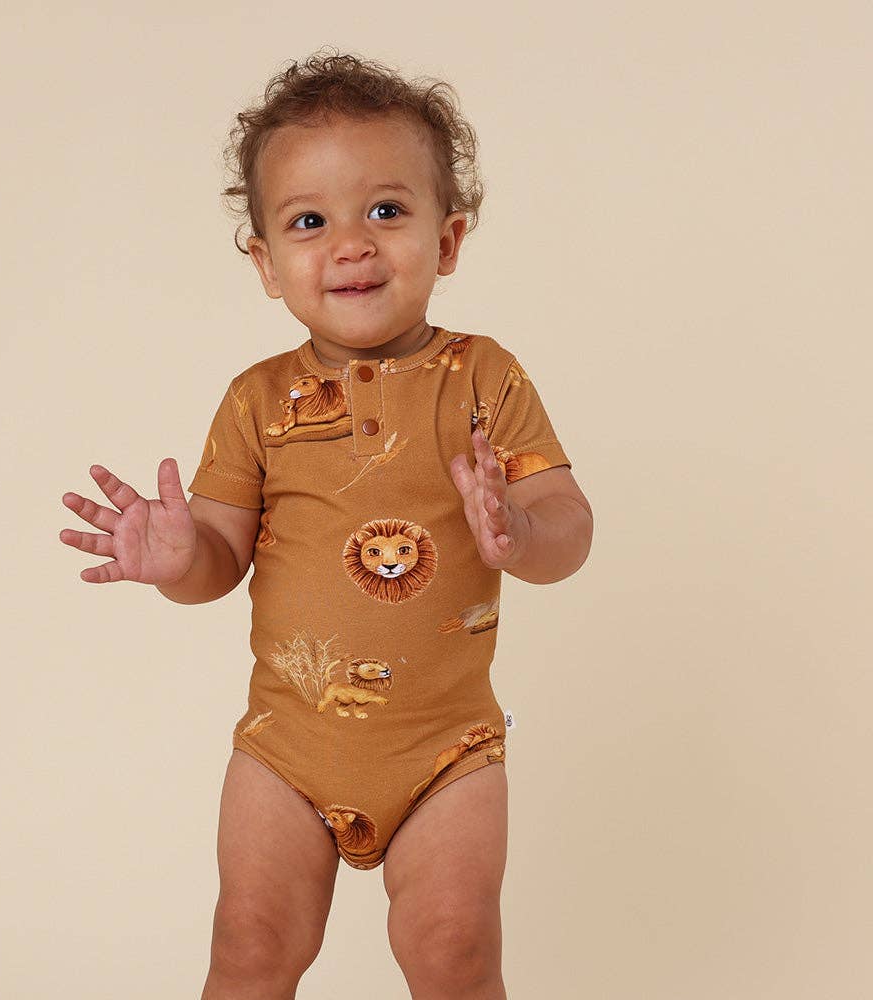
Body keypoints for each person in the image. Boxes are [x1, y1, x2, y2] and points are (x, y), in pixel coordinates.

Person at [59, 49, 593, 1000]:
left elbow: (568, 526)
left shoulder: (487, 377)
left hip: (448, 753)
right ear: (266, 263)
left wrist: (520, 526)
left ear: (451, 238)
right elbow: (219, 560)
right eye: (310, 221)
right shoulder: (257, 401)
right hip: (285, 749)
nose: (351, 243)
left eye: (387, 210)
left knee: (457, 953)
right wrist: (181, 557)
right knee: (252, 944)